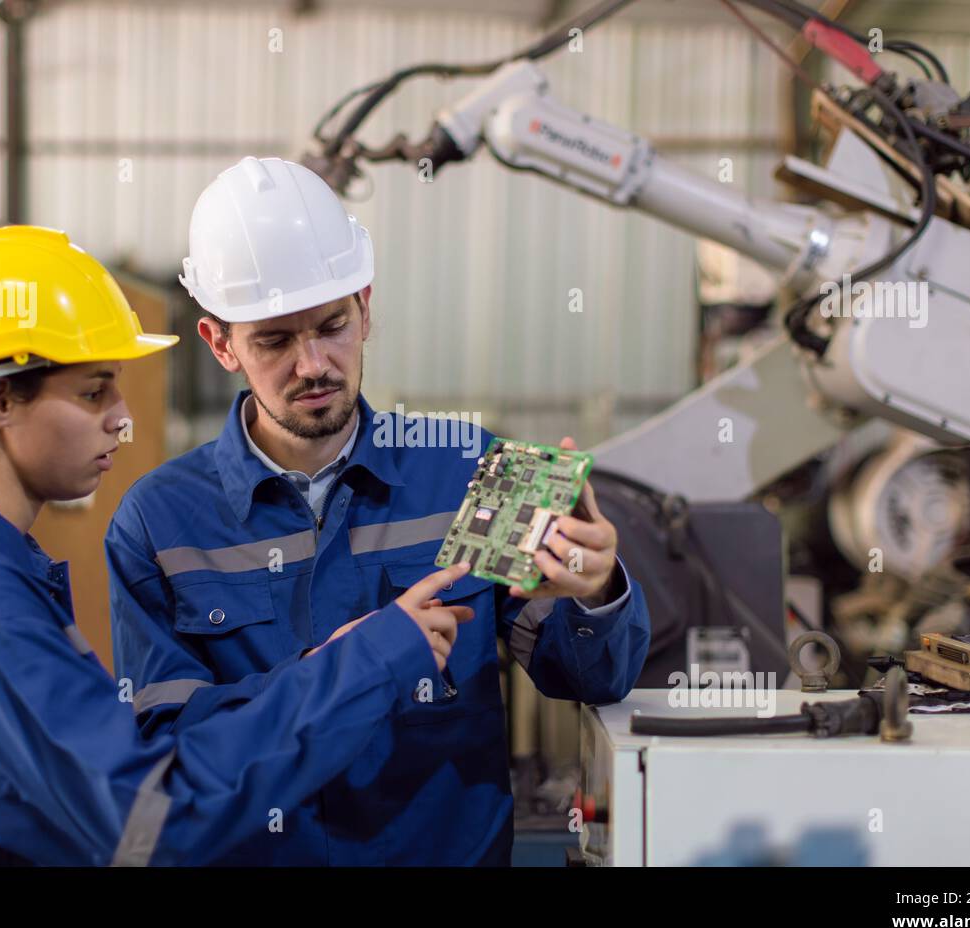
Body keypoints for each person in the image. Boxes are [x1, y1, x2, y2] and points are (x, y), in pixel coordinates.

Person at [0, 224, 467, 865]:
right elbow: (150, 819)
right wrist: (371, 664)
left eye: (331, 326)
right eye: (94, 391)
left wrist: (331, 667)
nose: (122, 417)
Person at [107, 157, 651, 866]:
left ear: (365, 306)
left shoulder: (473, 467)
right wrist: (344, 667)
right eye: (273, 339)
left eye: (331, 324)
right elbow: (168, 752)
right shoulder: (158, 522)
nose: (312, 364)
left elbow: (590, 680)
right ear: (221, 344)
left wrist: (598, 593)